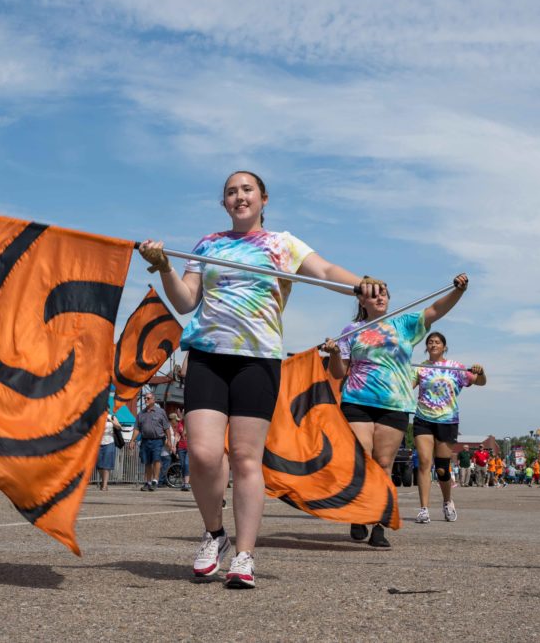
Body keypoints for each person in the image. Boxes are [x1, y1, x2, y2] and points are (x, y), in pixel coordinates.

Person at [139, 170, 375, 588]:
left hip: (257, 360)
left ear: (263, 198)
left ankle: (245, 554)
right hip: (208, 357)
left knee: (247, 458)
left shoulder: (282, 244)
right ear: (224, 203)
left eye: (247, 189)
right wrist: (164, 268)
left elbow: (323, 270)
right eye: (231, 191)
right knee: (206, 456)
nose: (239, 196)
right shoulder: (208, 244)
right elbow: (185, 300)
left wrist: (360, 284)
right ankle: (215, 534)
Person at [323, 273, 471, 546]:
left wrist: (458, 291)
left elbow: (436, 310)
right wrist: (334, 353)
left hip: (395, 405)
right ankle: (359, 511)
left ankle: (378, 524)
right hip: (357, 400)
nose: (380, 297)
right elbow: (338, 372)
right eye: (374, 293)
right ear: (362, 299)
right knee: (361, 459)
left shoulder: (404, 323)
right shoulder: (351, 330)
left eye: (384, 293)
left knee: (383, 464)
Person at [411, 331, 486, 523]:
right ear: (426, 347)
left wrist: (481, 372)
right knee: (425, 463)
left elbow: (480, 382)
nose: (433, 344)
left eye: (437, 342)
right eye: (430, 342)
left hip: (447, 421)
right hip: (423, 419)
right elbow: (406, 386)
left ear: (444, 347)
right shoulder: (420, 367)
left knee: (442, 468)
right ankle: (423, 509)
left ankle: (447, 501)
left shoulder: (456, 368)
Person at [128, 391, 171, 491]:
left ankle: (155, 481)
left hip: (158, 440)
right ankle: (148, 482)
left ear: (153, 400)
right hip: (145, 440)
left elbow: (167, 428)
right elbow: (137, 429)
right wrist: (132, 440)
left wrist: (169, 440)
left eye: (148, 398)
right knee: (147, 461)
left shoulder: (161, 412)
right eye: (145, 398)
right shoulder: (140, 414)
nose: (146, 400)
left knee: (156, 459)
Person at [96, 408, 123, 491]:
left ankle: (104, 485)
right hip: (98, 443)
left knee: (106, 465)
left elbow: (119, 427)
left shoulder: (111, 417)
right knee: (99, 465)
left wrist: (110, 421)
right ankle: (103, 481)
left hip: (109, 442)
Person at [173, 409, 190, 491]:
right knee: (183, 465)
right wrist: (174, 446)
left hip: (190, 447)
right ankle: (184, 483)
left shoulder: (192, 424)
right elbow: (177, 435)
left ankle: (186, 483)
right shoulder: (180, 423)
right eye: (183, 414)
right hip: (181, 447)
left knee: (187, 464)